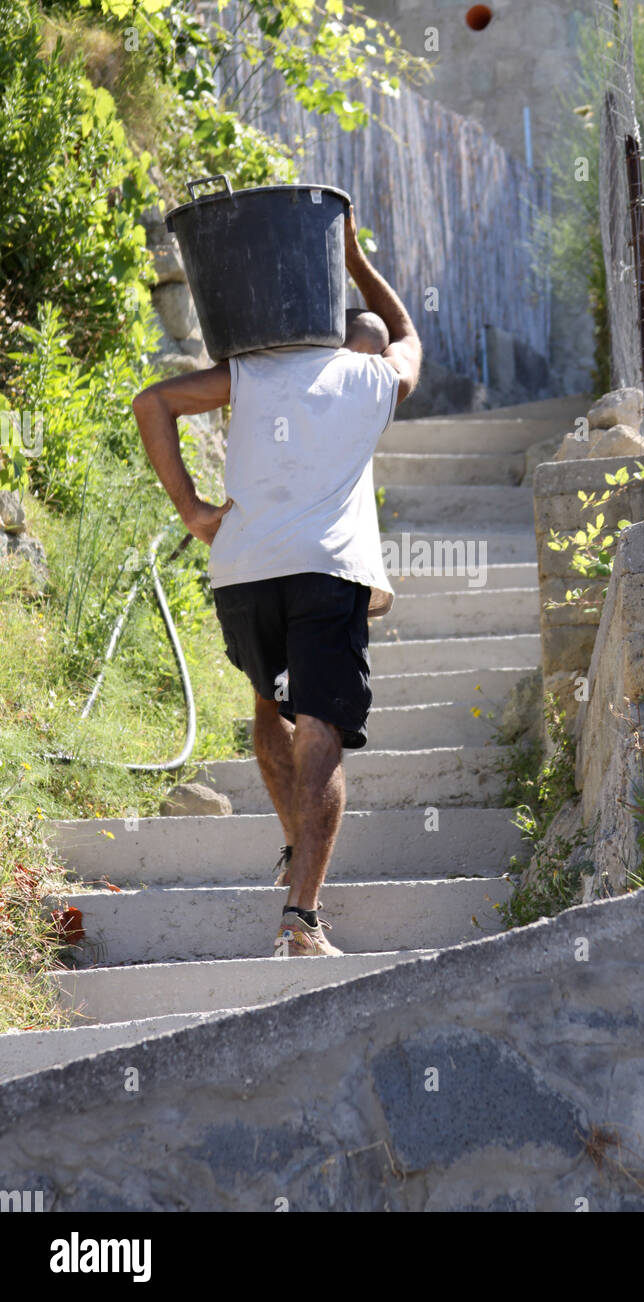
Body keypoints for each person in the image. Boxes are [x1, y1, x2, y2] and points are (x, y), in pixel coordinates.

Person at [132, 206, 422, 956]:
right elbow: (410, 338)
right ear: (364, 343)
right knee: (321, 728)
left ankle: (300, 858)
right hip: (325, 573)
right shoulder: (373, 380)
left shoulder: (256, 372)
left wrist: (195, 511)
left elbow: (151, 402)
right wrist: (355, 256)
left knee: (271, 705)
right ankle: (302, 915)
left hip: (244, 572)